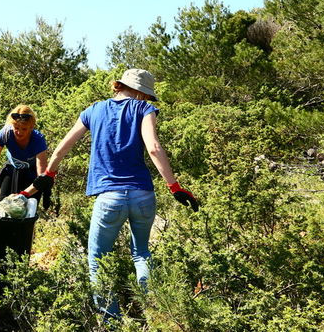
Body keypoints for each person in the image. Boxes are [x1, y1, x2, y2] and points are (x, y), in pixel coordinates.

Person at [27, 68, 199, 320]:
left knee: (97, 258)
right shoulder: (144, 110)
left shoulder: (93, 110)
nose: (146, 100)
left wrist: (48, 175)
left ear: (119, 86)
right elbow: (153, 147)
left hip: (109, 197)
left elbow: (63, 147)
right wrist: (175, 187)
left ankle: (112, 321)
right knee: (141, 253)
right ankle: (155, 313)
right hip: (142, 194)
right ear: (142, 93)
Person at [0, 105, 51, 207]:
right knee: (2, 204)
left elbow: (41, 175)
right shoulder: (5, 133)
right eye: (16, 128)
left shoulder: (38, 140)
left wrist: (26, 194)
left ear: (31, 127)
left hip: (32, 175)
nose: (19, 132)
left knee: (24, 210)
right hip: (11, 169)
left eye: (24, 129)